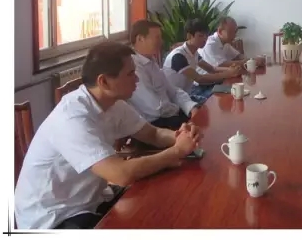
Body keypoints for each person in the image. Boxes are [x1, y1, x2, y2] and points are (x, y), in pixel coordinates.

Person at [14, 41, 203, 230]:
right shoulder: (72, 118)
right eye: (130, 74)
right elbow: (120, 174)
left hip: (91, 200)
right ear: (103, 81)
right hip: (53, 218)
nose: (137, 79)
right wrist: (176, 151)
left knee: (160, 204)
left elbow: (153, 134)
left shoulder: (114, 104)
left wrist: (181, 136)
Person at [128, 19, 201, 130]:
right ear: (140, 39)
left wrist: (191, 107)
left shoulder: (151, 62)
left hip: (170, 115)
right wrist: (180, 110)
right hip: (155, 124)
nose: (161, 41)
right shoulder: (133, 67)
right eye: (157, 37)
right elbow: (156, 108)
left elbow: (173, 91)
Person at [163, 18, 242, 104]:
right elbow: (199, 78)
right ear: (189, 36)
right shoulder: (178, 56)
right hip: (174, 100)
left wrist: (231, 70)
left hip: (185, 96)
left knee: (229, 92)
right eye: (200, 36)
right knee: (220, 98)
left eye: (206, 36)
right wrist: (227, 74)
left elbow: (212, 69)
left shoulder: (194, 53)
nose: (204, 39)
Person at [199, 16, 264, 68]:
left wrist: (252, 60)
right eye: (230, 32)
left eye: (235, 32)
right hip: (207, 79)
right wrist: (248, 61)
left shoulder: (226, 43)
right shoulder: (210, 44)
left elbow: (238, 56)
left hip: (221, 76)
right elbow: (222, 65)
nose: (234, 35)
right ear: (220, 31)